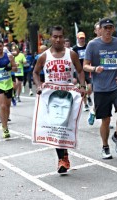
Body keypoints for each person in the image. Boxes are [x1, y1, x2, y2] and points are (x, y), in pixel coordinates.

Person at [33, 25, 85, 174]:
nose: (57, 39)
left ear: (63, 37)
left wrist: (82, 85)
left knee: (64, 127)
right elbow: (35, 73)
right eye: (55, 36)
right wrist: (38, 86)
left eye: (60, 36)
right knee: (57, 127)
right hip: (52, 96)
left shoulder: (71, 54)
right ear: (50, 38)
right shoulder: (44, 56)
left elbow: (80, 71)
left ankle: (64, 155)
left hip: (68, 95)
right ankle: (62, 159)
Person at [83, 18, 117, 159]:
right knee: (106, 120)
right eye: (105, 28)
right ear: (100, 29)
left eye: (110, 27)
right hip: (101, 88)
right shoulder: (92, 45)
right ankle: (105, 146)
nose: (108, 30)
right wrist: (95, 68)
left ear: (113, 29)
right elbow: (85, 65)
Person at [72, 32, 93, 111]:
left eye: (83, 38)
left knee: (90, 87)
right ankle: (85, 104)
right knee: (82, 87)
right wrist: (74, 74)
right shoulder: (74, 49)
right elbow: (72, 61)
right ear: (77, 38)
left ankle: (88, 96)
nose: (82, 39)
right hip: (79, 70)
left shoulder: (88, 46)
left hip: (88, 69)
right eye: (80, 38)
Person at [87, 21, 102, 126]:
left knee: (108, 99)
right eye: (98, 29)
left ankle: (105, 119)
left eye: (101, 28)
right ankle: (93, 111)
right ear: (95, 31)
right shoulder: (92, 44)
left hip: (109, 74)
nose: (100, 31)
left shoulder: (109, 42)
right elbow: (87, 62)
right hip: (97, 74)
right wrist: (95, 68)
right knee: (100, 98)